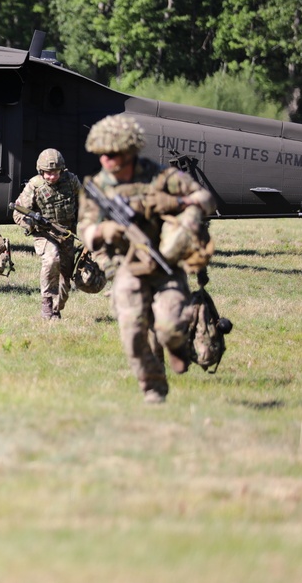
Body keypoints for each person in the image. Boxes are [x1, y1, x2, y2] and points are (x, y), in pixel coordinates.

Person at [77, 114, 216, 404]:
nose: (105, 161)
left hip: (165, 263)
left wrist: (176, 202)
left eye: (112, 155)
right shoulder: (97, 186)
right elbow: (85, 231)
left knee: (168, 328)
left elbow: (207, 201)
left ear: (130, 153)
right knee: (132, 331)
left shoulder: (161, 178)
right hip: (129, 265)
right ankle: (153, 389)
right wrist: (105, 229)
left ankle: (177, 344)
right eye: (102, 155)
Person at [12, 148, 82, 320]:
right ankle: (47, 305)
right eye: (48, 173)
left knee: (66, 274)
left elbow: (86, 201)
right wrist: (31, 224)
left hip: (66, 233)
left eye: (55, 173)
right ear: (41, 171)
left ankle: (57, 309)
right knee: (51, 260)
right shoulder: (34, 186)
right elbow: (18, 213)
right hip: (45, 234)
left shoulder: (71, 181)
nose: (52, 177)